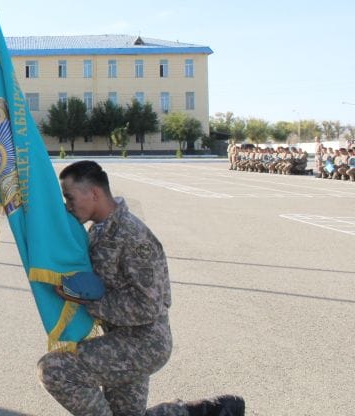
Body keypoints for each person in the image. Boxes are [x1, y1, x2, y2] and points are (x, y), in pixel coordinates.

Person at [38, 160, 245, 416]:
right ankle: (204, 411)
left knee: (55, 370)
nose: (68, 206)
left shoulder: (133, 236)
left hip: (143, 343)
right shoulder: (99, 231)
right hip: (121, 337)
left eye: (70, 198)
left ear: (94, 193)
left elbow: (148, 306)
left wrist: (88, 302)